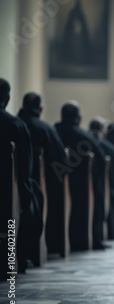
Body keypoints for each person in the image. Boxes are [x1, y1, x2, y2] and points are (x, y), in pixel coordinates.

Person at [18, 93, 68, 258]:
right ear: (40, 109)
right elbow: (62, 164)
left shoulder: (15, 124)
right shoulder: (45, 129)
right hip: (38, 186)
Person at [0, 79, 42, 275]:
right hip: (8, 192)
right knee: (31, 202)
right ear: (7, 99)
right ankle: (18, 258)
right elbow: (25, 168)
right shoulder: (15, 125)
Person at [55, 101, 108, 251]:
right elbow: (101, 161)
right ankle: (91, 239)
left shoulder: (53, 131)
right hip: (82, 187)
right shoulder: (85, 137)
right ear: (79, 118)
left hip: (55, 185)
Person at [89, 117, 114, 240]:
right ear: (103, 131)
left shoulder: (84, 141)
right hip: (103, 188)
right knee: (111, 195)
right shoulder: (109, 147)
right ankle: (110, 232)